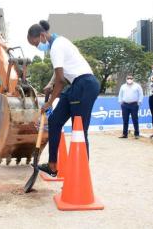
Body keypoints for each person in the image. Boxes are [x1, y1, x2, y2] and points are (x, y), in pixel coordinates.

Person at [27, 20, 100, 177]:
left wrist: (49, 102)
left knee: (79, 130)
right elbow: (59, 72)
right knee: (54, 122)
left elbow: (61, 81)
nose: (37, 47)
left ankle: (81, 174)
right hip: (76, 85)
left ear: (41, 35)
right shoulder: (59, 42)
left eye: (35, 44)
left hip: (85, 84)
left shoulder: (56, 47)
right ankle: (52, 166)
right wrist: (50, 83)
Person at [118, 74, 143, 139]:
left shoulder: (137, 86)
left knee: (135, 119)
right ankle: (124, 134)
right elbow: (120, 95)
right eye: (128, 78)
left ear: (133, 79)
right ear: (126, 79)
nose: (129, 80)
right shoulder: (123, 86)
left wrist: (139, 102)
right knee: (125, 120)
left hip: (134, 104)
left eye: (131, 78)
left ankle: (136, 134)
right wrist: (121, 102)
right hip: (125, 105)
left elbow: (141, 94)